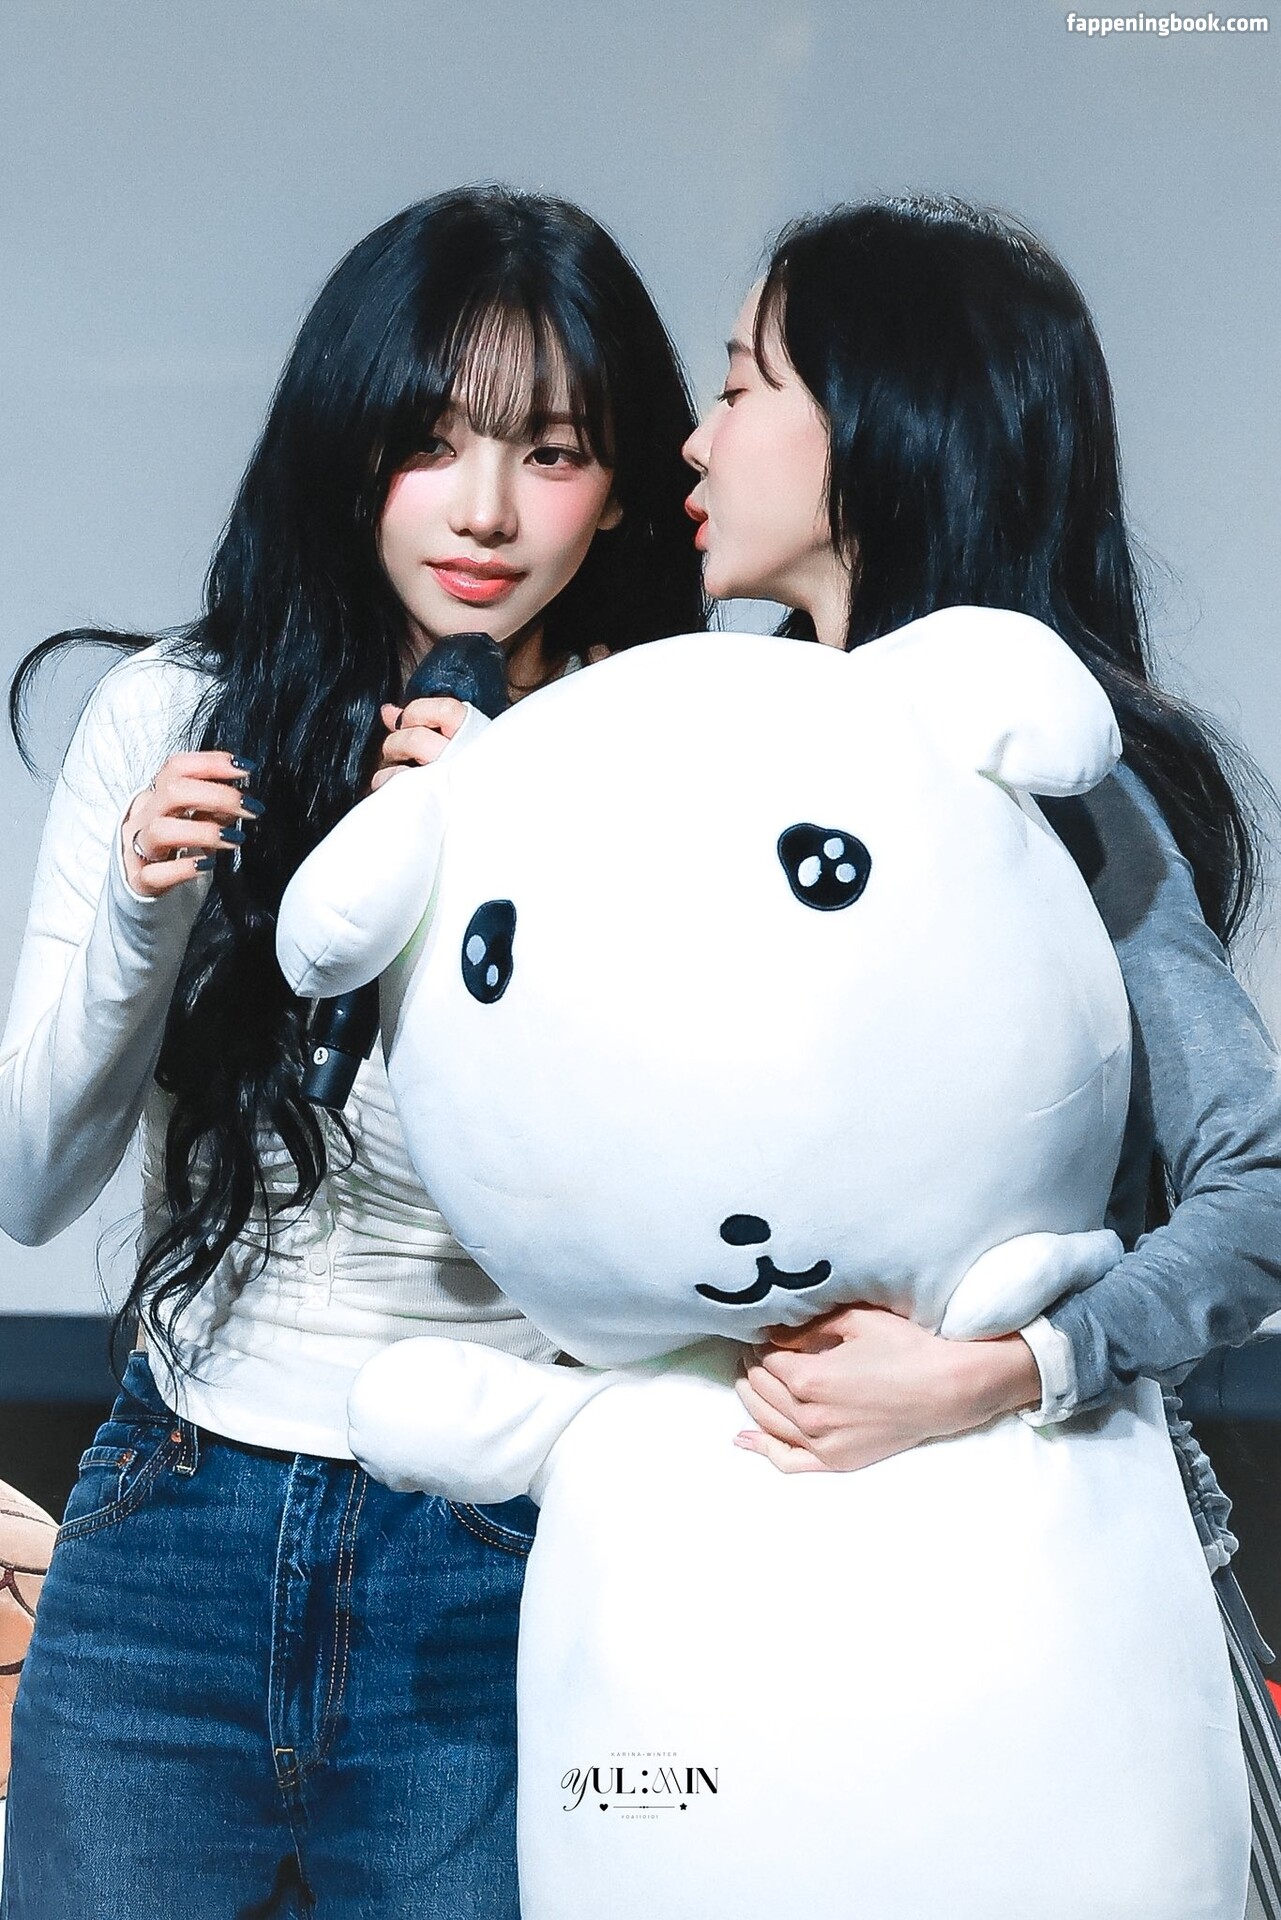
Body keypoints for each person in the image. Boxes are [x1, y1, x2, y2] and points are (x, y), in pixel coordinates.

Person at [0, 183, 703, 1919]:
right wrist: (144, 928)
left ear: (622, 485)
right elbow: (28, 1185)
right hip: (175, 1519)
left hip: (497, 1548)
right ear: (344, 442)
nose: (485, 511)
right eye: (430, 442)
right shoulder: (173, 711)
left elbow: (666, 1218)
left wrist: (515, 877)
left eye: (550, 452)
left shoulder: (669, 760)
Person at [682, 194, 1281, 1917]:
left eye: (743, 385)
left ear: (883, 425)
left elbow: (1258, 1188)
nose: (695, 440)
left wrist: (998, 1371)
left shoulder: (1052, 777)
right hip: (753, 1584)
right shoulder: (722, 746)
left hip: (1045, 1595)